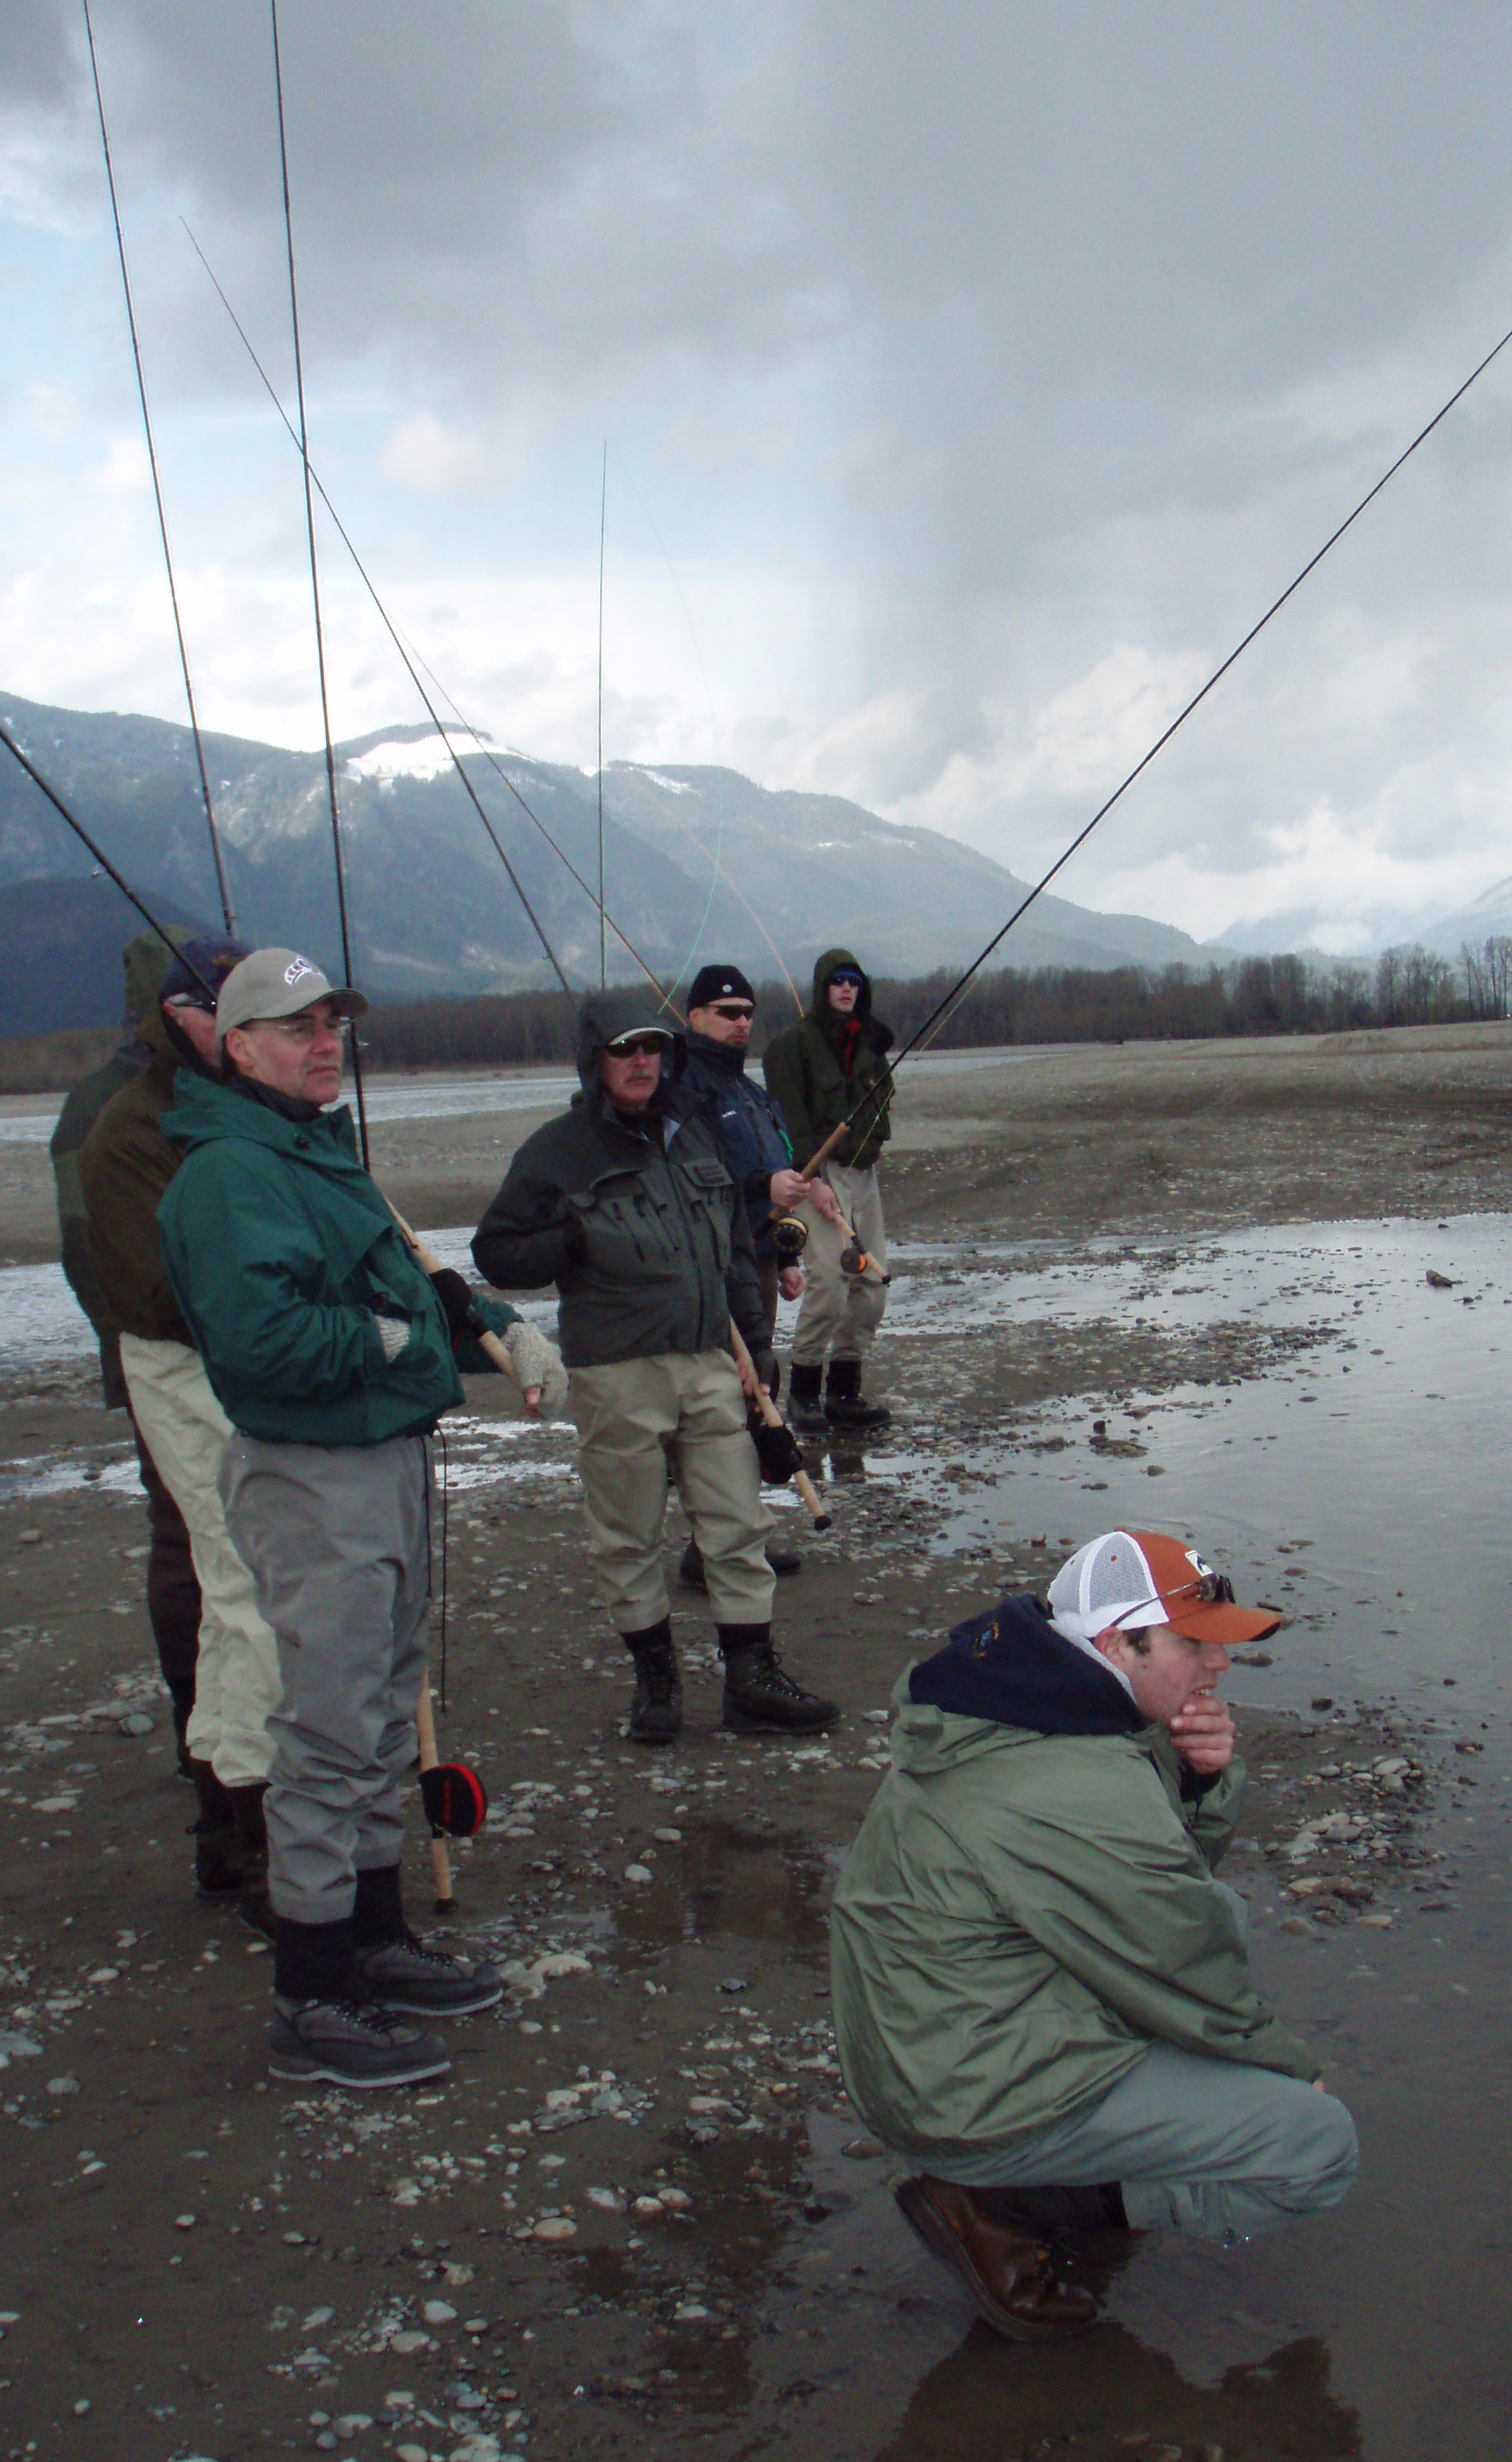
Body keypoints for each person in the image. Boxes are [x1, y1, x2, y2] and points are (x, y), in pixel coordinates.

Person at [159, 948, 538, 2090]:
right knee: (326, 1733)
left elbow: (388, 1290)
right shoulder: (228, 1175)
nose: (323, 1043)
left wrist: (481, 1323)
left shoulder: (313, 1153)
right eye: (292, 1027)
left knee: (382, 1710)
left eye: (332, 1023)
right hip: (312, 1475)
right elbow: (264, 1340)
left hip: (386, 1459)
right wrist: (391, 1340)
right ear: (236, 1048)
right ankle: (313, 1994)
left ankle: (375, 1936)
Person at [830, 1528, 1358, 2340]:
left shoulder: (1025, 1700)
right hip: (957, 2095)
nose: (1219, 1668)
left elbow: (1163, 1881)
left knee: (1224, 1917)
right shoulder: (1072, 1772)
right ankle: (1006, 2201)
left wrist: (1199, 1777)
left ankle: (1049, 2176)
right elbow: (1178, 1950)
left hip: (930, 2037)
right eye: (1196, 1646)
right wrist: (1285, 2068)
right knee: (1315, 2146)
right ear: (1119, 1641)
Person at [472, 991, 841, 1746]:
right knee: (628, 1536)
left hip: (713, 1356)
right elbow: (495, 1251)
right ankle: (656, 1683)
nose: (641, 1061)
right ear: (595, 1060)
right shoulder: (557, 1151)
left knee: (737, 1525)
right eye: (622, 1049)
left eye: (651, 1047)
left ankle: (752, 1682)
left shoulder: (695, 1134)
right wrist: (565, 1245)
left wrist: (755, 1341)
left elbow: (735, 1242)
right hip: (617, 1372)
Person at [79, 934, 279, 1928]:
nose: (236, 1024)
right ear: (175, 1014)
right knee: (217, 1581)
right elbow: (145, 1286)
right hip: (183, 1377)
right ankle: (235, 1831)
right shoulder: (125, 1129)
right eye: (219, 1007)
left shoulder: (253, 1106)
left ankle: (260, 1818)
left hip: (264, 1377)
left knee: (262, 1586)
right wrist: (279, 1307)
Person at [49, 925, 202, 1763]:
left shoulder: (214, 1089)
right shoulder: (103, 1108)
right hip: (151, 1352)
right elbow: (86, 1251)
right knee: (184, 1537)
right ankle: (195, 1725)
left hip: (218, 1350)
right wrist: (133, 1347)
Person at [671, 962, 832, 1588]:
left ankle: (732, 1536)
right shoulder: (685, 1089)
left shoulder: (756, 1094)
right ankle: (711, 1544)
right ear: (695, 1017)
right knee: (727, 1401)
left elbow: (777, 1180)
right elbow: (694, 1180)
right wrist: (759, 1185)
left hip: (756, 1263)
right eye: (726, 1012)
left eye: (747, 1014)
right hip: (707, 1270)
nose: (741, 1023)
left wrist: (786, 1257)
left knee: (756, 1388)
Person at [761, 948, 893, 1434]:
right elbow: (787, 1120)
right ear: (822, 987)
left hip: (864, 1175)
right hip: (815, 1175)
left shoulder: (871, 1047)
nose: (846, 988)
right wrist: (811, 1181)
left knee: (872, 1285)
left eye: (854, 981)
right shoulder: (791, 1046)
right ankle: (803, 1392)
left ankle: (844, 1392)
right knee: (830, 1286)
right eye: (837, 981)